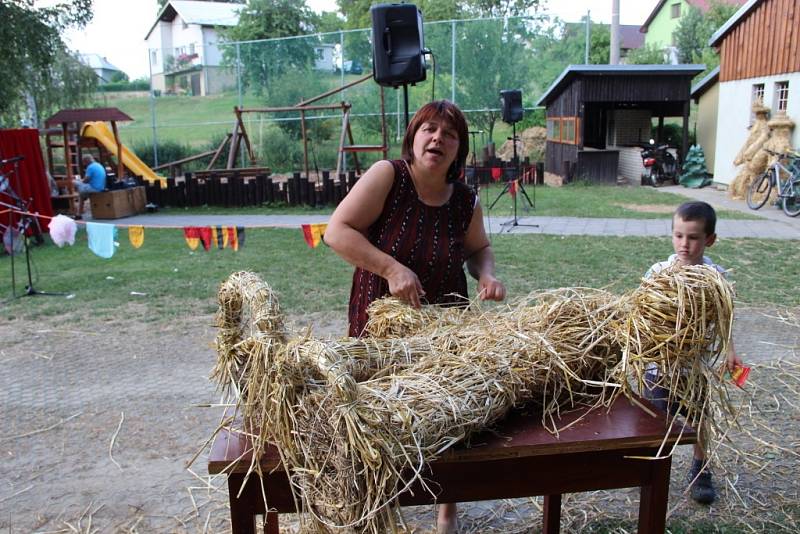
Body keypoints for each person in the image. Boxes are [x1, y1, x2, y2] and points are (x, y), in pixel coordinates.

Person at [324, 100, 505, 533]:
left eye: (449, 134)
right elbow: (337, 231)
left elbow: (478, 249)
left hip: (444, 327)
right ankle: (381, 512)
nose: (437, 138)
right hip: (381, 326)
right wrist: (390, 268)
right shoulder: (389, 176)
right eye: (429, 129)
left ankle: (447, 510)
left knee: (450, 418)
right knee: (381, 419)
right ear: (414, 136)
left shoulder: (464, 200)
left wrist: (488, 275)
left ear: (458, 150)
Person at [643, 201, 742, 505]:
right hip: (658, 365)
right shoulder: (659, 272)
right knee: (652, 420)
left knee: (699, 419)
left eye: (694, 237)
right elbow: (642, 310)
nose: (685, 244)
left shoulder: (715, 276)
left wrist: (729, 349)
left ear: (709, 239)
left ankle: (700, 469)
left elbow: (725, 317)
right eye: (679, 235)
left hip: (693, 368)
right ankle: (649, 470)